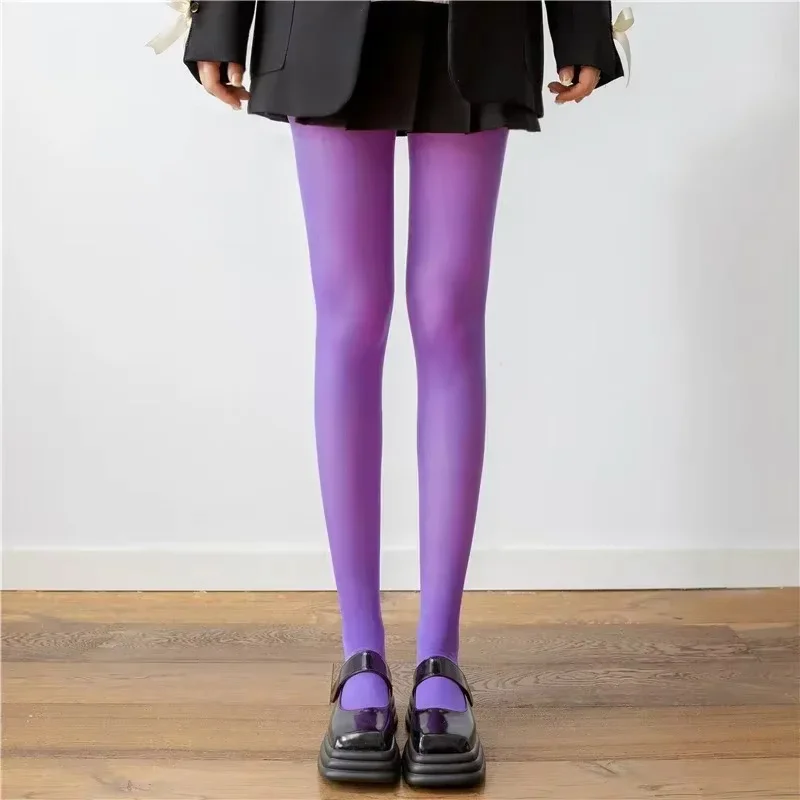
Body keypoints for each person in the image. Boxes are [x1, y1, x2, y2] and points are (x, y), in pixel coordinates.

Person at [152, 0, 630, 787]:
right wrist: (220, 20)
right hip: (325, 19)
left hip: (478, 22)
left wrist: (580, 24)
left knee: (448, 317)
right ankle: (361, 656)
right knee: (350, 318)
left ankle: (441, 656)